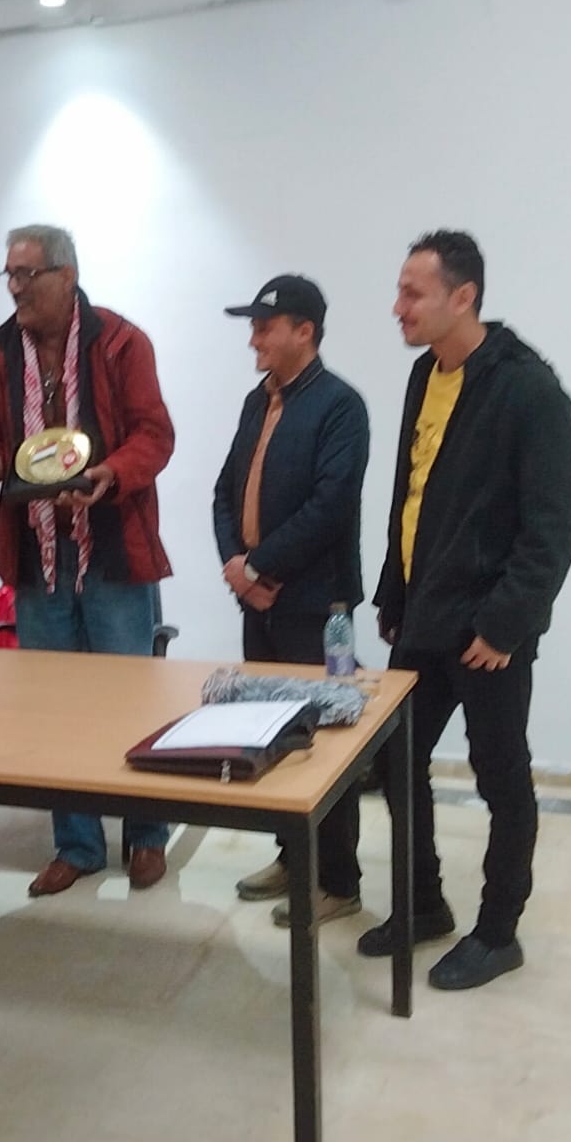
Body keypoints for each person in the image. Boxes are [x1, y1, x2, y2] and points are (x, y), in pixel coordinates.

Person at [359, 230, 571, 989]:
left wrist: (505, 624)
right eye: (399, 290)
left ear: (464, 297)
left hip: (487, 630)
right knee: (397, 762)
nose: (398, 307)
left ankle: (497, 933)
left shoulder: (529, 390)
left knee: (500, 777)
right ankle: (423, 904)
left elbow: (552, 524)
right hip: (423, 616)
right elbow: (413, 495)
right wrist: (393, 592)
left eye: (412, 293)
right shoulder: (424, 374)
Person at [0, 224, 174, 896]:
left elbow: (154, 434)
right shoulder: (1, 351)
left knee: (130, 699)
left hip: (112, 548)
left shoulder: (120, 341)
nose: (14, 288)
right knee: (53, 707)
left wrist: (111, 475)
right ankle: (78, 845)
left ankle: (146, 835)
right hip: (37, 555)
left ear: (67, 275)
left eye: (26, 274)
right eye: (9, 274)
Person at [213, 274, 370, 927]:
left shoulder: (340, 406)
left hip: (316, 608)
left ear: (304, 331)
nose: (253, 338)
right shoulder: (259, 400)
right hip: (258, 602)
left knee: (323, 740)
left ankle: (337, 880)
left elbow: (329, 506)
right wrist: (236, 566)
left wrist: (259, 564)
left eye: (264, 327)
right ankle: (291, 855)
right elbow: (224, 491)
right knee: (271, 735)